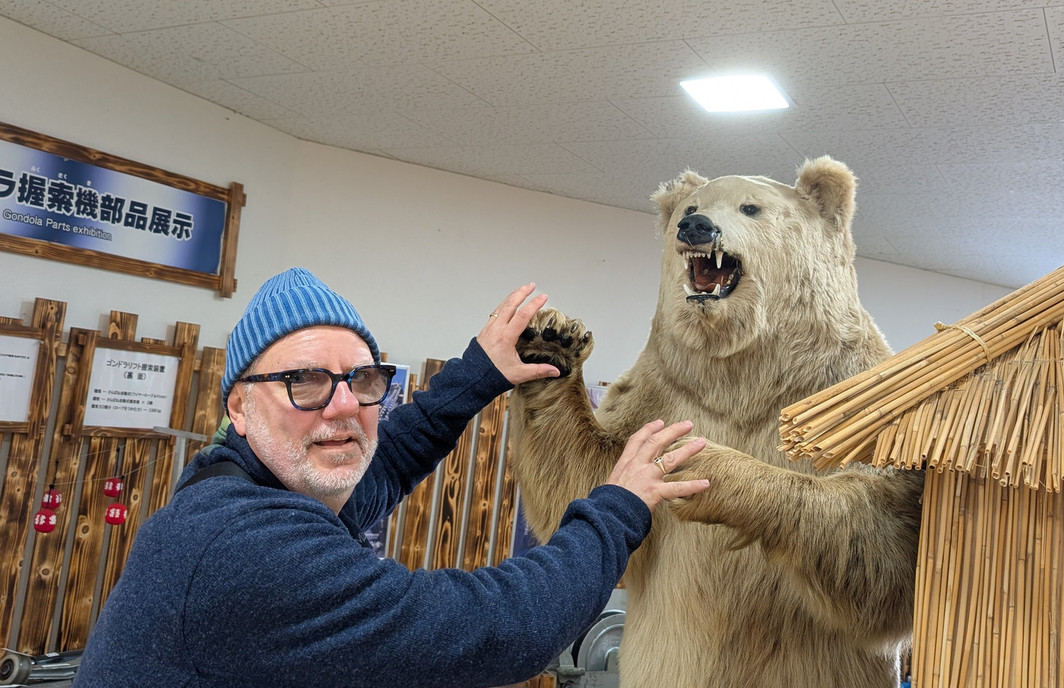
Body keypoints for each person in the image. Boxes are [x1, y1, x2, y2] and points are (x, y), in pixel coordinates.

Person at [74, 268, 709, 688]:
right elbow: (496, 629)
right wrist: (619, 506)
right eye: (304, 381)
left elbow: (390, 458)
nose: (345, 406)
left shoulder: (247, 484)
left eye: (363, 380)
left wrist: (480, 372)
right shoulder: (244, 547)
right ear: (238, 407)